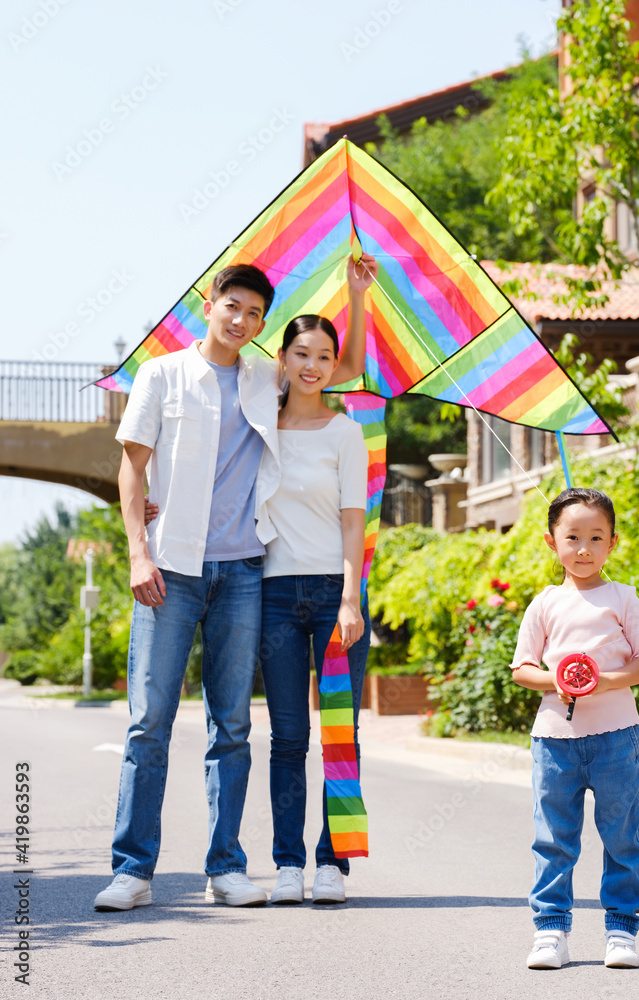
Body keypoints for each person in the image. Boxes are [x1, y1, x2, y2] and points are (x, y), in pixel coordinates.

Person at [94, 254, 374, 912]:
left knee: (233, 729)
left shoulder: (262, 378)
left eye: (254, 313)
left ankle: (226, 866)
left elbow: (338, 366)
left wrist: (356, 298)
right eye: (233, 307)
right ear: (209, 304)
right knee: (148, 724)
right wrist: (138, 552)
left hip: (247, 570)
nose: (242, 320)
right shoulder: (161, 375)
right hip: (172, 569)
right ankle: (132, 870)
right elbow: (131, 470)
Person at [510, 487, 639, 970]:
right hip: (555, 740)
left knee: (622, 835)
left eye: (596, 537)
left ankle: (621, 931)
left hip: (618, 737)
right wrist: (558, 680)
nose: (583, 548)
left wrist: (602, 683)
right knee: (554, 837)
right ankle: (550, 930)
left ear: (613, 542)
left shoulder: (623, 598)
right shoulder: (544, 604)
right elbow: (523, 669)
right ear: (551, 542)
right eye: (572, 537)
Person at [259, 312, 372, 907]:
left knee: (339, 733)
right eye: (301, 353)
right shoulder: (258, 425)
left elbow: (354, 518)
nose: (312, 366)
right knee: (287, 737)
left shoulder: (344, 432)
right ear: (282, 359)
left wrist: (351, 599)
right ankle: (287, 863)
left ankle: (333, 861)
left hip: (336, 593)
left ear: (335, 366)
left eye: (324, 357)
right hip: (274, 595)